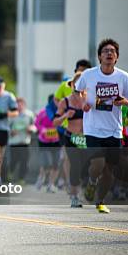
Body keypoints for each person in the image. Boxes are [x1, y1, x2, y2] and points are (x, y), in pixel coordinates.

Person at [74, 39, 128, 213]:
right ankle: (92, 182)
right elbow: (78, 90)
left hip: (114, 130)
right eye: (105, 51)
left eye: (112, 51)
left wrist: (123, 101)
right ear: (100, 57)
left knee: (109, 171)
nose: (109, 53)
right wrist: (83, 102)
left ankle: (100, 200)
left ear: (116, 57)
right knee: (98, 164)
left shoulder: (123, 77)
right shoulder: (89, 74)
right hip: (93, 128)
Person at [53, 72, 86, 207]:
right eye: (76, 83)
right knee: (75, 165)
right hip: (71, 137)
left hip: (86, 138)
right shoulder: (65, 101)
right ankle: (74, 195)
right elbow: (55, 122)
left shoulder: (89, 99)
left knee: (87, 167)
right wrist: (66, 115)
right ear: (72, 85)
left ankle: (82, 191)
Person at [34, 96, 61, 193]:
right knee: (47, 163)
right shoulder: (43, 112)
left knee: (56, 164)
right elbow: (36, 123)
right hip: (44, 141)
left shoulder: (61, 112)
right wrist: (43, 130)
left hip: (57, 141)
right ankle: (41, 177)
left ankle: (51, 184)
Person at [8, 97, 36, 184]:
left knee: (24, 161)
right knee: (14, 160)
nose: (19, 107)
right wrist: (11, 132)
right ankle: (10, 173)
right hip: (14, 142)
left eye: (21, 105)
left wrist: (31, 129)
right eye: (17, 105)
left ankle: (21, 178)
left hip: (25, 142)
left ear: (24, 105)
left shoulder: (29, 114)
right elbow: (6, 127)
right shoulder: (11, 115)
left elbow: (35, 126)